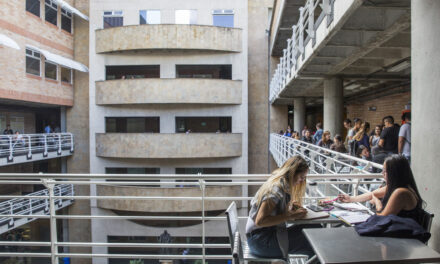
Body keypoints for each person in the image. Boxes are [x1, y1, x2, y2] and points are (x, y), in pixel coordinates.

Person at [246, 156, 316, 259]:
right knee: (314, 239)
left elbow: (272, 213)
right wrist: (289, 216)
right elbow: (260, 221)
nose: (302, 180)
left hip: (261, 237)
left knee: (313, 230)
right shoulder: (275, 189)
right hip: (261, 241)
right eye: (302, 177)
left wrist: (289, 210)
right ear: (292, 173)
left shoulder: (281, 184)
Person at [338, 155, 425, 225]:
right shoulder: (398, 186)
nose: (382, 174)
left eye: (385, 171)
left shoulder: (401, 192)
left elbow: (382, 218)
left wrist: (377, 203)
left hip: (404, 238)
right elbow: (371, 194)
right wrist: (350, 199)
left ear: (395, 173)